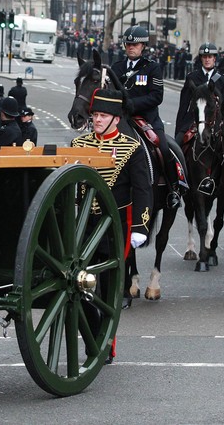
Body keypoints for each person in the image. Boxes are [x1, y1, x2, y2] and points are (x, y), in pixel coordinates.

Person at [70, 88, 153, 365]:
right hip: (84, 225)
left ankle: (105, 345)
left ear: (116, 119)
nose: (97, 120)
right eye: (95, 114)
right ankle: (94, 334)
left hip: (113, 224)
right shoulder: (78, 144)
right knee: (75, 286)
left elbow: (142, 190)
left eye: (103, 115)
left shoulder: (132, 148)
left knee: (106, 291)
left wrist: (141, 226)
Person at [111, 25, 181, 209]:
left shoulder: (152, 68)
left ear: (143, 46)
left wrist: (132, 105)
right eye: (128, 44)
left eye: (135, 44)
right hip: (121, 119)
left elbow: (156, 96)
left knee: (163, 148)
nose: (131, 47)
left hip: (147, 119)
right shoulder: (116, 68)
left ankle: (173, 189)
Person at [175, 42, 224, 195]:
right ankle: (176, 184)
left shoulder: (222, 79)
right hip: (193, 121)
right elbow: (184, 105)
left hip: (214, 123)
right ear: (200, 59)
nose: (207, 60)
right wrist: (179, 129)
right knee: (176, 149)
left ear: (215, 59)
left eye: (210, 57)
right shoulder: (192, 77)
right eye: (205, 57)